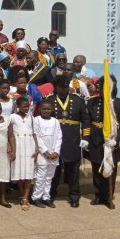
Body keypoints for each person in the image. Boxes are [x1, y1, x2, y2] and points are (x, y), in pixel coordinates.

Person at [47, 75, 90, 207]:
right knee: (54, 171)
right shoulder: (50, 100)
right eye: (62, 87)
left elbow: (86, 120)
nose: (65, 89)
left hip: (73, 139)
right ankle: (50, 195)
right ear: (56, 87)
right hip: (55, 141)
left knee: (73, 171)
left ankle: (74, 196)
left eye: (67, 86)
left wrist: (86, 138)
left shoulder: (78, 100)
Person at [86, 75, 120, 209]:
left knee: (110, 171)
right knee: (96, 170)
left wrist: (115, 140)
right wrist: (87, 139)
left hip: (110, 142)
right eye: (100, 85)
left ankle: (109, 197)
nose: (101, 88)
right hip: (96, 140)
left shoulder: (119, 104)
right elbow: (89, 122)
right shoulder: (92, 102)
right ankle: (98, 196)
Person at [31, 99, 62, 209]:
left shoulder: (55, 121)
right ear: (40, 109)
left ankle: (46, 197)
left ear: (52, 110)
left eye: (48, 109)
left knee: (49, 177)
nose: (46, 111)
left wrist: (56, 151)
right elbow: (37, 136)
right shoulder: (36, 120)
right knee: (41, 177)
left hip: (54, 153)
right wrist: (45, 151)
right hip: (42, 154)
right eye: (44, 108)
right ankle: (36, 197)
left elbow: (59, 137)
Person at [10, 97, 38, 211]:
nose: (27, 108)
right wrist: (11, 149)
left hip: (29, 146)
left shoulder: (31, 118)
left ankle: (26, 197)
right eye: (25, 106)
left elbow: (35, 134)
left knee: (28, 173)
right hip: (18, 146)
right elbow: (10, 134)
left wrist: (37, 148)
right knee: (20, 172)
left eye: (28, 106)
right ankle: (22, 194)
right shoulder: (12, 117)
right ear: (18, 106)